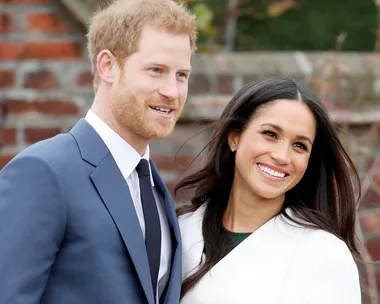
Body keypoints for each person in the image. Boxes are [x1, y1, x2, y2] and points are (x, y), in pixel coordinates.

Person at [0, 0, 197, 303]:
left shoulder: (155, 189)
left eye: (181, 75)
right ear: (108, 66)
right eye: (156, 70)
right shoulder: (43, 172)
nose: (172, 91)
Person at [175, 77, 362, 303]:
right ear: (234, 138)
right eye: (270, 134)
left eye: (299, 146)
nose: (282, 156)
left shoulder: (324, 254)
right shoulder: (178, 232)